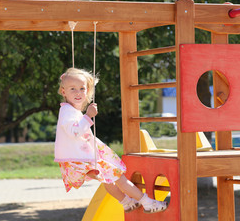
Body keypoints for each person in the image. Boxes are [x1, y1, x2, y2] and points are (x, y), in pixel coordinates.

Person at [54, 67, 168, 213]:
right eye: (72, 89)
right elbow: (75, 132)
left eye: (82, 88)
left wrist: (86, 116)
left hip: (78, 158)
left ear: (87, 91)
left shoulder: (70, 110)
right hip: (78, 159)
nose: (78, 92)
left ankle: (127, 202)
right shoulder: (67, 112)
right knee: (119, 177)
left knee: (107, 178)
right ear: (63, 92)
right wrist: (88, 116)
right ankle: (148, 203)